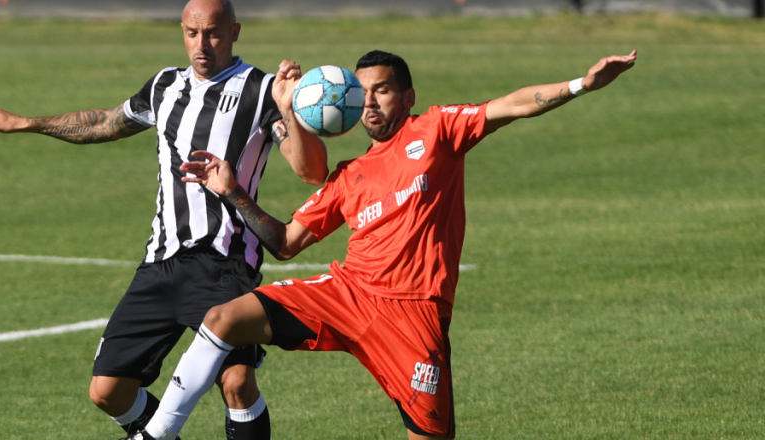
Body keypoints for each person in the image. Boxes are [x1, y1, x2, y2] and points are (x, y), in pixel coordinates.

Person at [129, 49, 638, 440]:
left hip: (414, 318)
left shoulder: (436, 131)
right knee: (223, 318)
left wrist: (582, 84)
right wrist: (234, 192)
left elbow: (511, 105)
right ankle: (158, 434)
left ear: (408, 97)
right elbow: (284, 243)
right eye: (364, 92)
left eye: (384, 91)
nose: (370, 102)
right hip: (348, 295)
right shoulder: (349, 177)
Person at [0, 1, 329, 439]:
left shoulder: (261, 90)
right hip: (160, 262)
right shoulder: (165, 85)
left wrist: (290, 109)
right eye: (191, 32)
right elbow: (106, 123)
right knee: (107, 391)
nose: (201, 45)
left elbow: (312, 171)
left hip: (224, 264)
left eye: (213, 33)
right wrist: (26, 123)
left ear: (235, 32)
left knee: (237, 383)